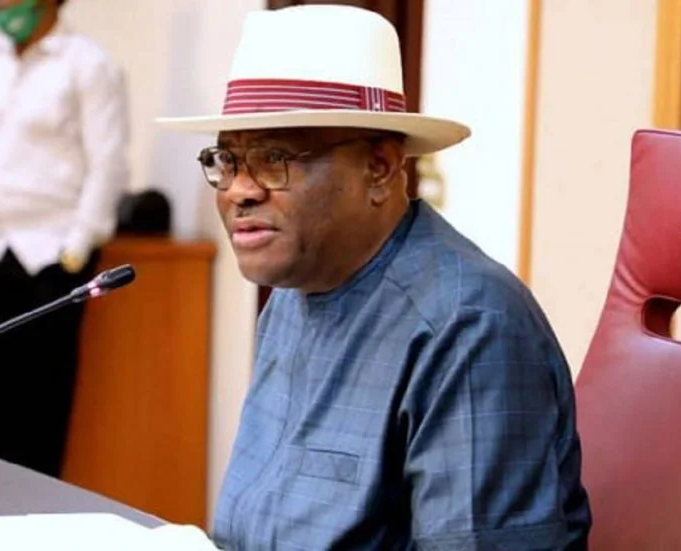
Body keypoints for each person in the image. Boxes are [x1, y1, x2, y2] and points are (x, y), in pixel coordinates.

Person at [158, 5, 591, 549]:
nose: (239, 190)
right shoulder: (293, 292)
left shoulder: (468, 328)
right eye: (227, 159)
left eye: (274, 158)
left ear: (381, 168)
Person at [0, 0, 129, 477]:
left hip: (50, 255)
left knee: (42, 406)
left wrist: (80, 243)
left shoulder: (89, 63)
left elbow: (108, 162)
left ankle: (40, 509)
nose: (1, 5)